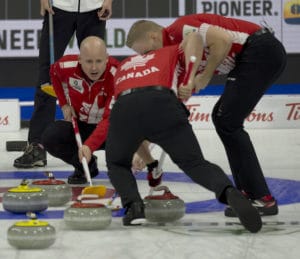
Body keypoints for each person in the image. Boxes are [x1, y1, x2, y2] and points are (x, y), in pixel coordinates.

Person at [125, 13, 287, 217]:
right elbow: (171, 108)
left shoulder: (178, 30)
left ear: (153, 37)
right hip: (255, 56)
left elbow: (223, 39)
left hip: (260, 49)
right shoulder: (176, 59)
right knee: (225, 121)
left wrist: (204, 76)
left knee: (226, 121)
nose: (149, 57)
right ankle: (250, 194)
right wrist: (145, 147)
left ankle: (261, 197)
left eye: (146, 51)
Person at [105, 43, 262, 233]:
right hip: (162, 102)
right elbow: (193, 38)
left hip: (125, 105)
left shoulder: (124, 65)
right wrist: (189, 77)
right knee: (195, 163)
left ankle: (134, 207)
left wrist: (149, 161)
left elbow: (136, 118)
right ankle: (229, 191)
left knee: (118, 163)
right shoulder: (169, 51)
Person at [13, 0, 113, 168]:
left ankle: (89, 147)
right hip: (59, 7)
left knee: (94, 72)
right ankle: (37, 146)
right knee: (47, 78)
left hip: (94, 8)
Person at [40, 36, 117, 184]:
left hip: (110, 129)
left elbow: (109, 119)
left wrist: (88, 146)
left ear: (107, 58)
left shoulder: (116, 75)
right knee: (51, 137)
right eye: (88, 61)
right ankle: (86, 166)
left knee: (128, 143)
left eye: (99, 61)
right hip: (81, 125)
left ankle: (121, 170)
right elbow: (54, 73)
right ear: (80, 59)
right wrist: (64, 104)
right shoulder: (66, 65)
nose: (94, 68)